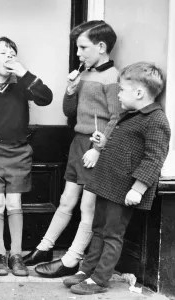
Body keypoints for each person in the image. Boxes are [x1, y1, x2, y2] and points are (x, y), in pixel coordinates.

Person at [23, 20, 121, 278]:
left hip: (95, 146)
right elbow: (70, 112)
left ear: (101, 47)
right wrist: (70, 89)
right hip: (78, 143)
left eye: (82, 47)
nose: (78, 54)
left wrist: (99, 150)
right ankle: (44, 248)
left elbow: (116, 117)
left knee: (87, 207)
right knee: (67, 200)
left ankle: (71, 259)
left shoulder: (112, 77)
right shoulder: (85, 73)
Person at [68, 62, 171, 295]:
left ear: (139, 93)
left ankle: (100, 280)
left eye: (122, 89)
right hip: (107, 184)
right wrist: (102, 143)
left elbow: (154, 158)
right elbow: (124, 148)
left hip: (124, 190)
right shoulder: (131, 115)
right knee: (98, 229)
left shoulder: (155, 120)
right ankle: (88, 270)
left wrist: (138, 188)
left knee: (113, 234)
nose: (118, 94)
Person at [0, 37, 53, 277]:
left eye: (12, 53)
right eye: (3, 53)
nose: (9, 56)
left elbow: (46, 97)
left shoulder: (21, 86)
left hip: (18, 152)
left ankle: (16, 254)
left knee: (14, 203)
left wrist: (25, 73)